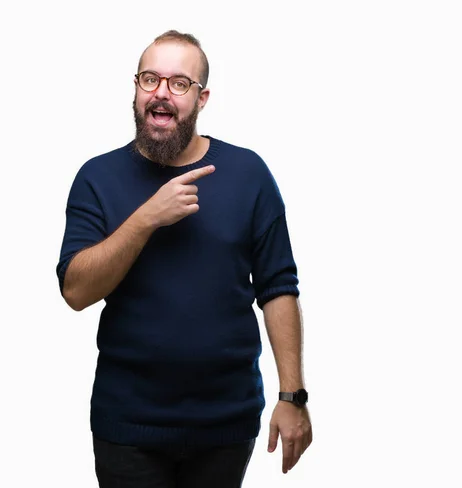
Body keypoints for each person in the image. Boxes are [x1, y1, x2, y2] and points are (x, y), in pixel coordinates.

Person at [56, 30, 312, 488]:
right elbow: (76, 292)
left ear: (202, 97)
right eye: (150, 79)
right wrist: (145, 219)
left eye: (179, 83)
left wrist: (292, 395)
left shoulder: (248, 173)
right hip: (128, 427)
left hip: (225, 426)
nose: (161, 92)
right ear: (135, 89)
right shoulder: (97, 177)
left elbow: (278, 288)